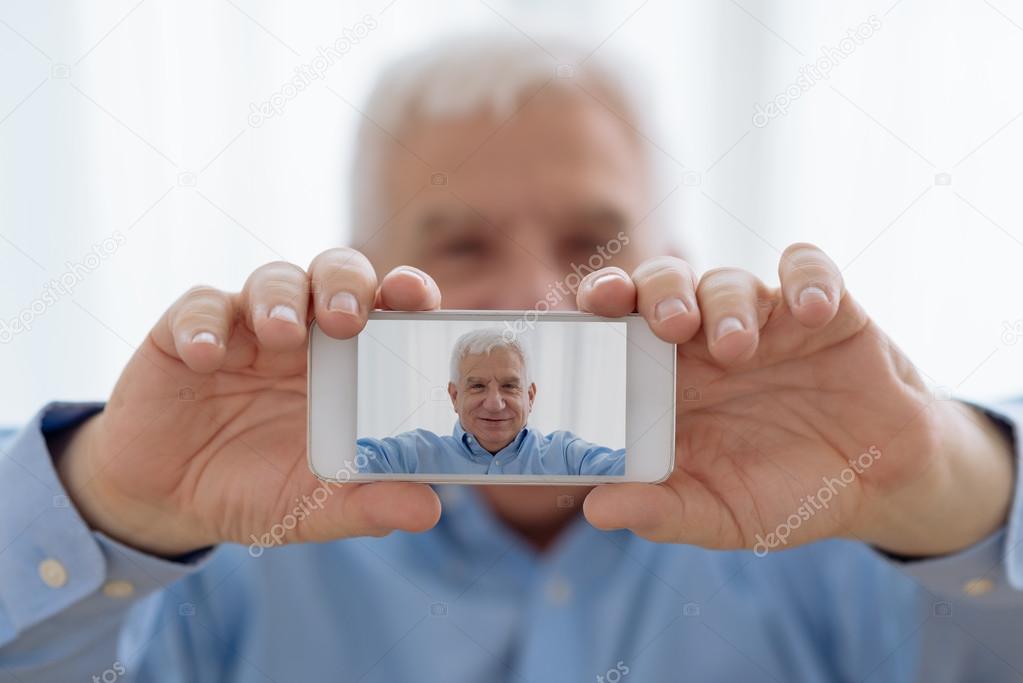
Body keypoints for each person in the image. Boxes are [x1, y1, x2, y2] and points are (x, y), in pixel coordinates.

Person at [1, 34, 1022, 682]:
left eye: (594, 242)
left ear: (681, 267)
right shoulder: (217, 557)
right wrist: (97, 502)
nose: (537, 294)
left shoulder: (839, 532)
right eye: (461, 244)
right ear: (367, 280)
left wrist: (950, 487)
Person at [357, 328, 626, 475]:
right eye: (477, 386)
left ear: (530, 396)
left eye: (509, 386)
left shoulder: (567, 457)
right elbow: (342, 463)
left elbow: (626, 469)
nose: (495, 403)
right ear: (454, 396)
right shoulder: (413, 456)